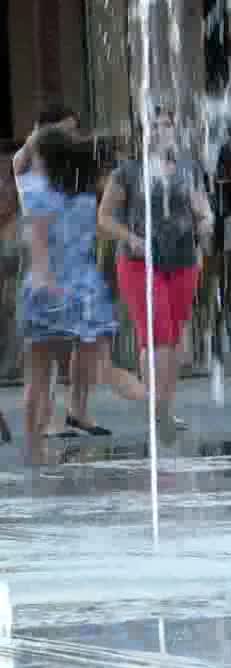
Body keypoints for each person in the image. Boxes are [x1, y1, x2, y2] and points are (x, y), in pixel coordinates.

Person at [98, 106, 214, 444]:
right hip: (140, 262)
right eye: (156, 126)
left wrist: (206, 222)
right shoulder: (127, 173)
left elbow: (202, 209)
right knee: (157, 336)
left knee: (172, 340)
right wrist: (130, 237)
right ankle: (158, 410)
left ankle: (164, 408)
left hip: (183, 261)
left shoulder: (188, 168)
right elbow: (104, 217)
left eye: (167, 125)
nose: (163, 131)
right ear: (143, 133)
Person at [19, 128, 118, 464]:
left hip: (46, 289)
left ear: (44, 158)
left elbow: (38, 243)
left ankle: (34, 448)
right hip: (83, 290)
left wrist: (44, 279)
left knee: (37, 377)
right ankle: (78, 409)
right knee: (77, 360)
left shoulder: (37, 192)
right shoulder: (86, 196)